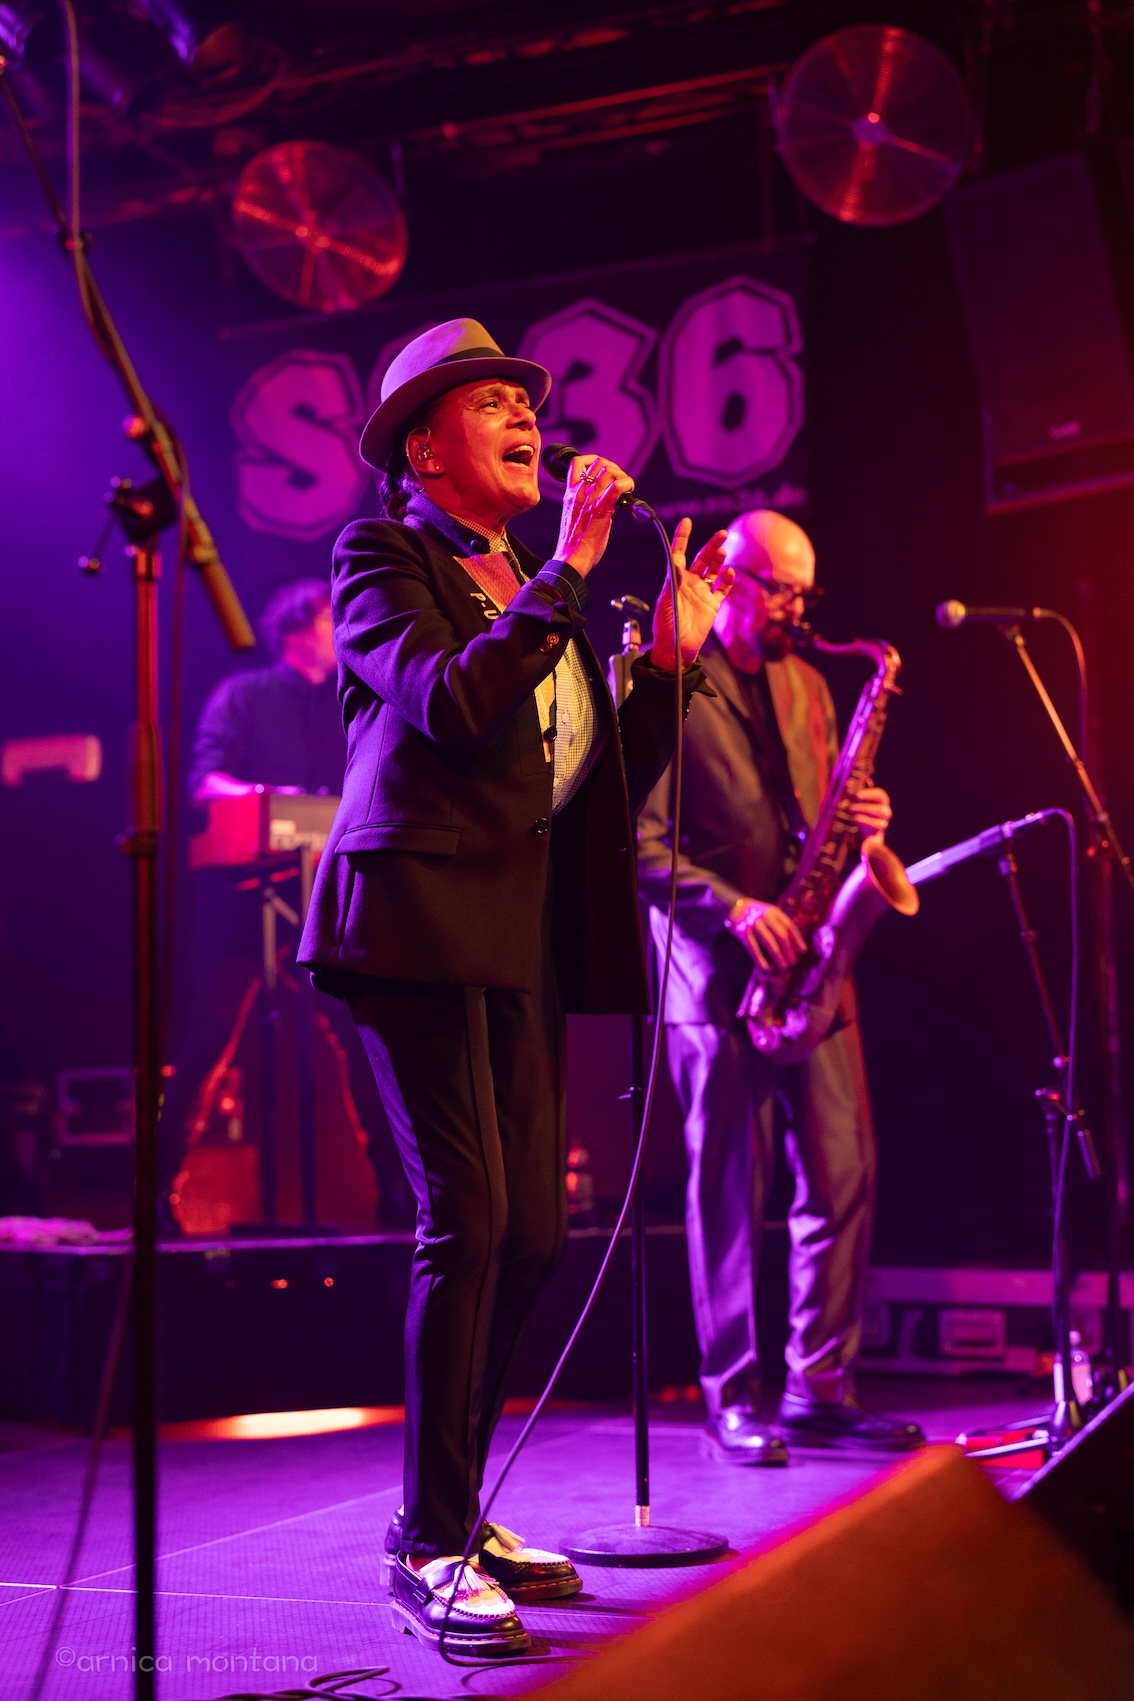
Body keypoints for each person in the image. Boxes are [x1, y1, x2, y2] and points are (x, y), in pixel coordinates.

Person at [297, 317, 732, 1656]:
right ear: (424, 448)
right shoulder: (382, 556)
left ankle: (456, 1509)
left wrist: (663, 663)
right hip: (412, 921)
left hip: (519, 937)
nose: (524, 416)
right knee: (468, 1219)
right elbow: (448, 705)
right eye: (488, 401)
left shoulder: (545, 583)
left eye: (523, 399)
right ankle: (427, 1539)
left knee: (531, 1235)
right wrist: (565, 577)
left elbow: (598, 789)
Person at [637, 509, 925, 1467]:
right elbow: (631, 841)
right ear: (726, 571)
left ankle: (818, 1385)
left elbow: (822, 809)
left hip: (813, 962)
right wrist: (731, 907)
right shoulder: (666, 675)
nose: (799, 611)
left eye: (807, 592)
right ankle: (733, 1393)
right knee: (730, 1184)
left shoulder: (808, 682)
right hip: (713, 966)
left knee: (844, 1169)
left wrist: (863, 815)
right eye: (780, 590)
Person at [160, 580, 410, 1227]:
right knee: (208, 1039)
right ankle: (155, 1192)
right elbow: (204, 782)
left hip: (325, 889)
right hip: (242, 896)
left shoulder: (348, 698)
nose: (340, 629)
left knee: (363, 1039)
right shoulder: (242, 696)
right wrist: (266, 797)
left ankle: (397, 1193)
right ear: (297, 628)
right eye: (331, 619)